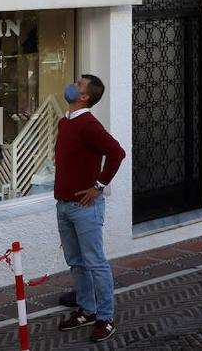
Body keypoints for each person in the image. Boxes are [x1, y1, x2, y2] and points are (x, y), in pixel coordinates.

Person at [54, 74, 125, 343]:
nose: (73, 84)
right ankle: (87, 310)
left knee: (95, 263)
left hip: (85, 208)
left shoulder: (89, 125)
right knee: (76, 262)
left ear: (84, 97)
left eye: (79, 84)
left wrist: (98, 185)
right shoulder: (65, 122)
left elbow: (117, 153)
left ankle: (106, 318)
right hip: (63, 205)